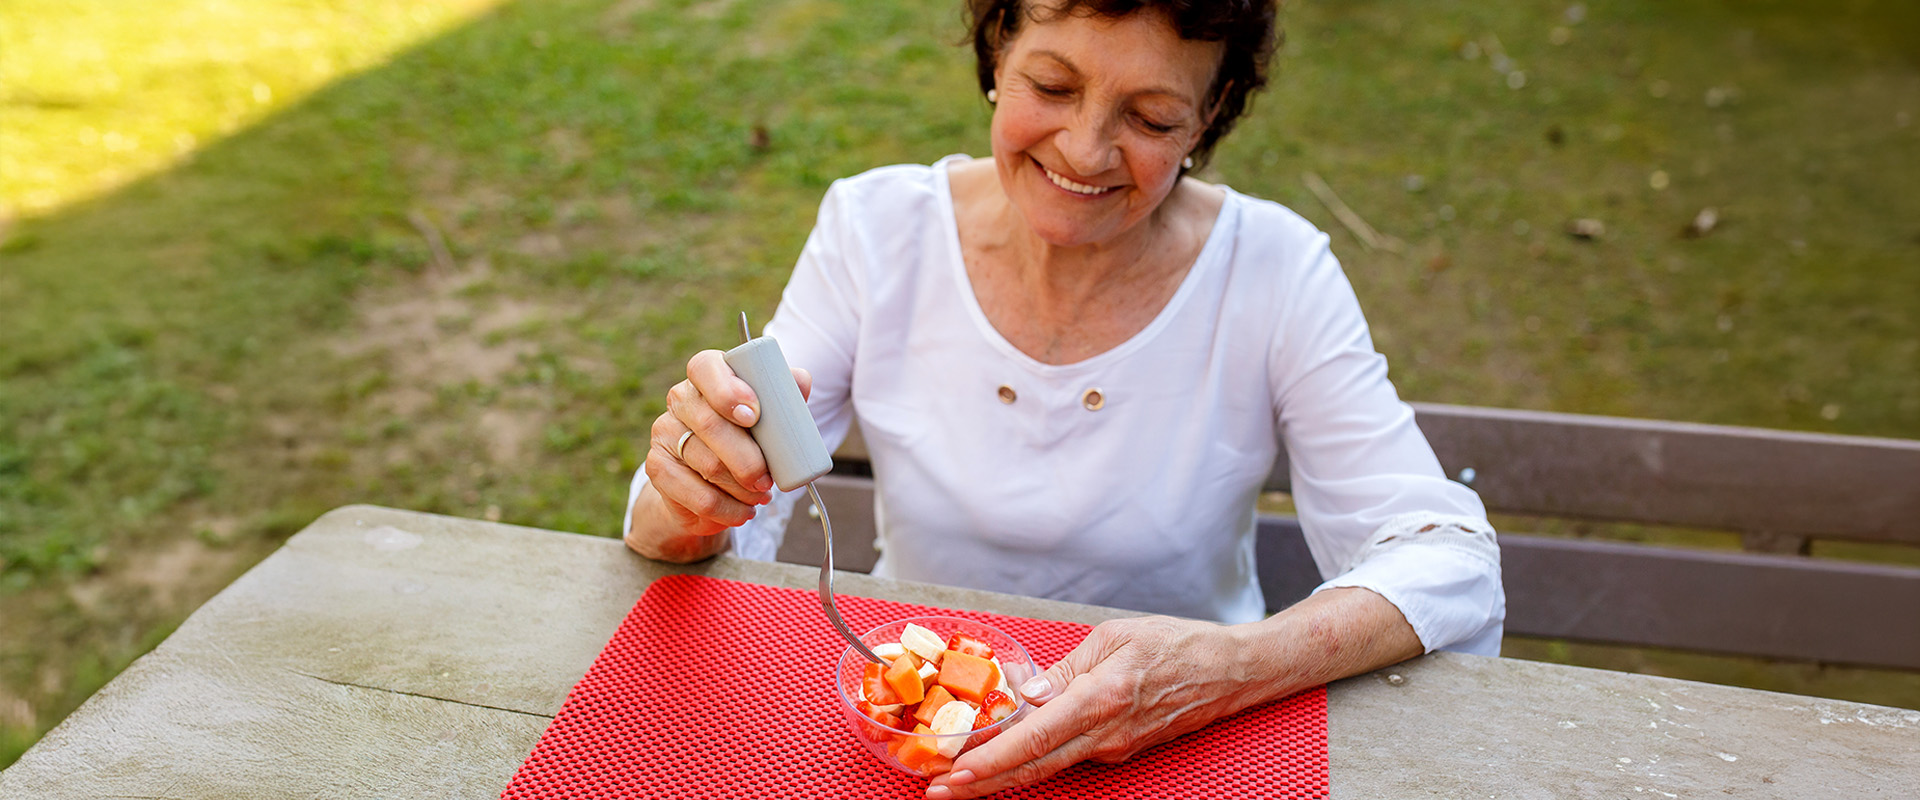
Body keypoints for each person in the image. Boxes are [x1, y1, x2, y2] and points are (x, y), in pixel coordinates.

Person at [624, 1, 1503, 796]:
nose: (1083, 152)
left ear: (1212, 109)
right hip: (916, 735)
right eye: (1052, 84)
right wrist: (694, 494)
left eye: (1151, 116)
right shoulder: (875, 229)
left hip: (1177, 744)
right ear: (999, 49)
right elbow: (706, 522)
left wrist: (1231, 667)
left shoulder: (1275, 270)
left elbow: (1449, 560)